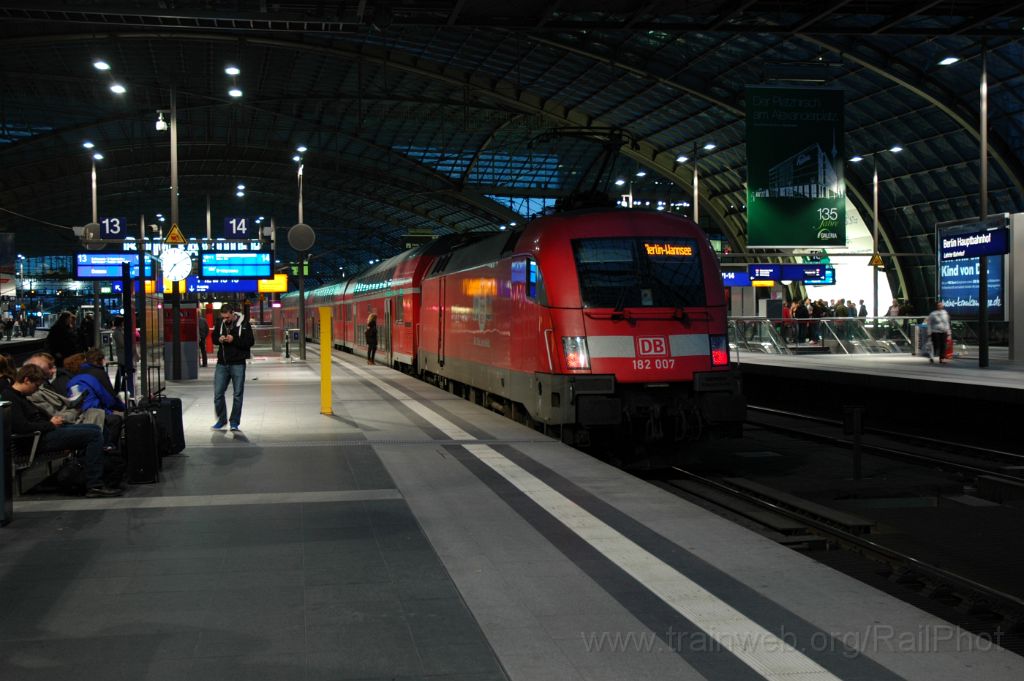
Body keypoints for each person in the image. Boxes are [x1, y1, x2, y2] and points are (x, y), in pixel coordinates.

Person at [1, 364, 122, 498]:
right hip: (37, 440)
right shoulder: (11, 397)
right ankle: (95, 484)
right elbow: (22, 427)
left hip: (43, 434)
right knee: (93, 435)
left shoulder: (19, 396)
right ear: (26, 380)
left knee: (94, 428)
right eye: (35, 386)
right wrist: (50, 424)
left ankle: (94, 475)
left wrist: (51, 422)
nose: (35, 391)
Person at [211, 302, 254, 432]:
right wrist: (219, 339)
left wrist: (233, 339)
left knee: (237, 394)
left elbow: (250, 342)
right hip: (222, 363)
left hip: (238, 363)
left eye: (227, 317)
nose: (225, 320)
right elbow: (213, 339)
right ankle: (221, 419)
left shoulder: (244, 324)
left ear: (233, 313)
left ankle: (234, 422)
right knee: (218, 394)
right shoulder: (220, 323)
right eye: (223, 317)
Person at [926, 300, 952, 364]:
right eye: (939, 305)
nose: (940, 306)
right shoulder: (932, 314)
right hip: (935, 331)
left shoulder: (945, 312)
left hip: (944, 331)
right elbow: (929, 323)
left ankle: (942, 358)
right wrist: (929, 332)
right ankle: (932, 356)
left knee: (943, 345)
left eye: (941, 305)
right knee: (936, 345)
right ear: (936, 306)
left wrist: (949, 333)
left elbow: (947, 323)